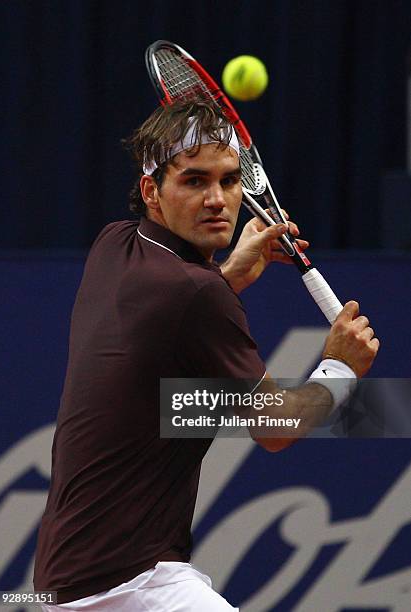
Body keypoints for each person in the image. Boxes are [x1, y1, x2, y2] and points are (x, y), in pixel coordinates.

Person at [34, 99, 379, 611]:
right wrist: (339, 366)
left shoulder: (115, 244)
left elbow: (166, 321)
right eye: (194, 181)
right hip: (130, 586)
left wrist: (231, 272)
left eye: (229, 180)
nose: (218, 199)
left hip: (64, 583)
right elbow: (276, 428)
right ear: (152, 191)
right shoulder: (196, 294)